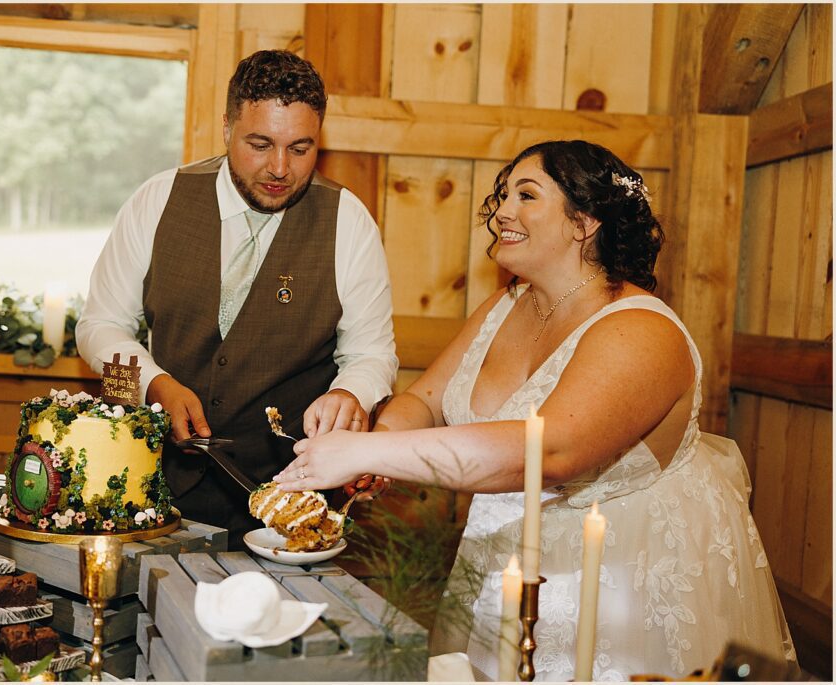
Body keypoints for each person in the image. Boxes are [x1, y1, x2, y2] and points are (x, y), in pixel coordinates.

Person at [275, 140, 796, 680]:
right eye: (504, 195)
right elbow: (426, 401)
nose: (502, 211)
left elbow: (547, 452)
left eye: (526, 195)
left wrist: (364, 451)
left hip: (617, 591)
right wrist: (377, 448)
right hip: (502, 572)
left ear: (584, 222)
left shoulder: (644, 331)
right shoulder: (505, 305)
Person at [76, 50, 397, 548]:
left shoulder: (349, 223)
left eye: (300, 148)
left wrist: (350, 394)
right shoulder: (157, 200)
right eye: (260, 144)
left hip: (287, 503)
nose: (279, 168)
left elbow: (372, 355)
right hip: (150, 490)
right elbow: (99, 326)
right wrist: (153, 384)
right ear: (227, 128)